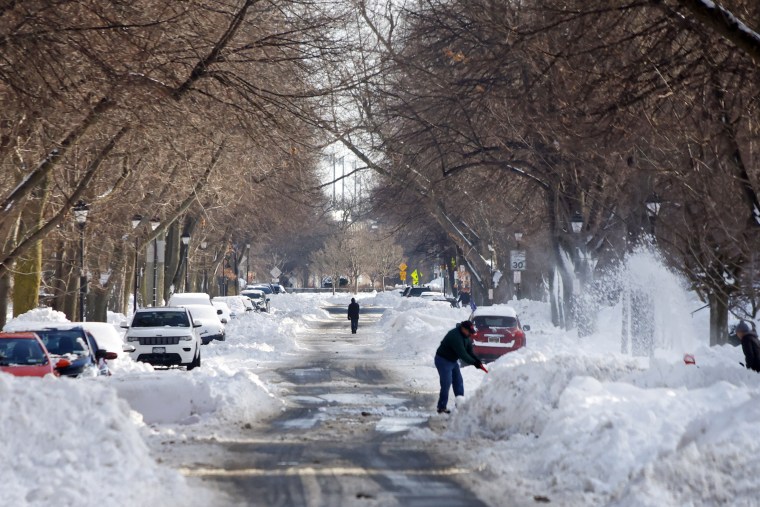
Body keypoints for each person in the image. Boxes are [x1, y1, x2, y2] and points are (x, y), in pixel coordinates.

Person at [434, 320, 486, 414]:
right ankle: (441, 407)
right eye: (469, 331)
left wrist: (477, 360)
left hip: (452, 361)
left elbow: (469, 351)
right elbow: (463, 354)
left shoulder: (466, 336)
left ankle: (460, 405)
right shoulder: (455, 336)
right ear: (463, 328)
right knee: (447, 383)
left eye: (471, 332)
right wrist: (474, 363)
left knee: (458, 382)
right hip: (443, 360)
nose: (470, 334)